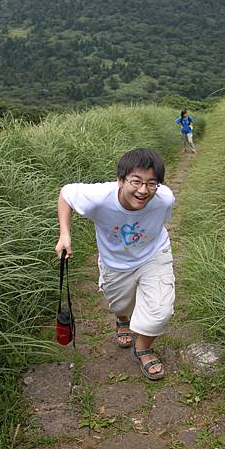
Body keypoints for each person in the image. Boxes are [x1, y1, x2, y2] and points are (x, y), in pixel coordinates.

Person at [55, 148, 175, 381]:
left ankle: (142, 348)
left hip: (154, 254)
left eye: (151, 184)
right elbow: (66, 194)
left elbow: (161, 221)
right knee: (120, 303)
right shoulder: (99, 197)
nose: (143, 190)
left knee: (160, 311)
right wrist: (64, 234)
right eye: (136, 181)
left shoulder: (164, 198)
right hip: (115, 262)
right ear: (120, 180)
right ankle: (122, 319)